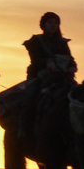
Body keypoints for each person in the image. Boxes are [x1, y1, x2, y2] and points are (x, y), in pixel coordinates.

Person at [17, 12, 77, 140]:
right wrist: (47, 63)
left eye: (55, 23)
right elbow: (35, 60)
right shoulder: (35, 41)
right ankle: (23, 131)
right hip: (40, 76)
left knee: (77, 95)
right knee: (29, 99)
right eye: (50, 22)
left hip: (62, 77)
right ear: (43, 24)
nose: (53, 25)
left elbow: (70, 58)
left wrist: (72, 66)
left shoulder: (62, 43)